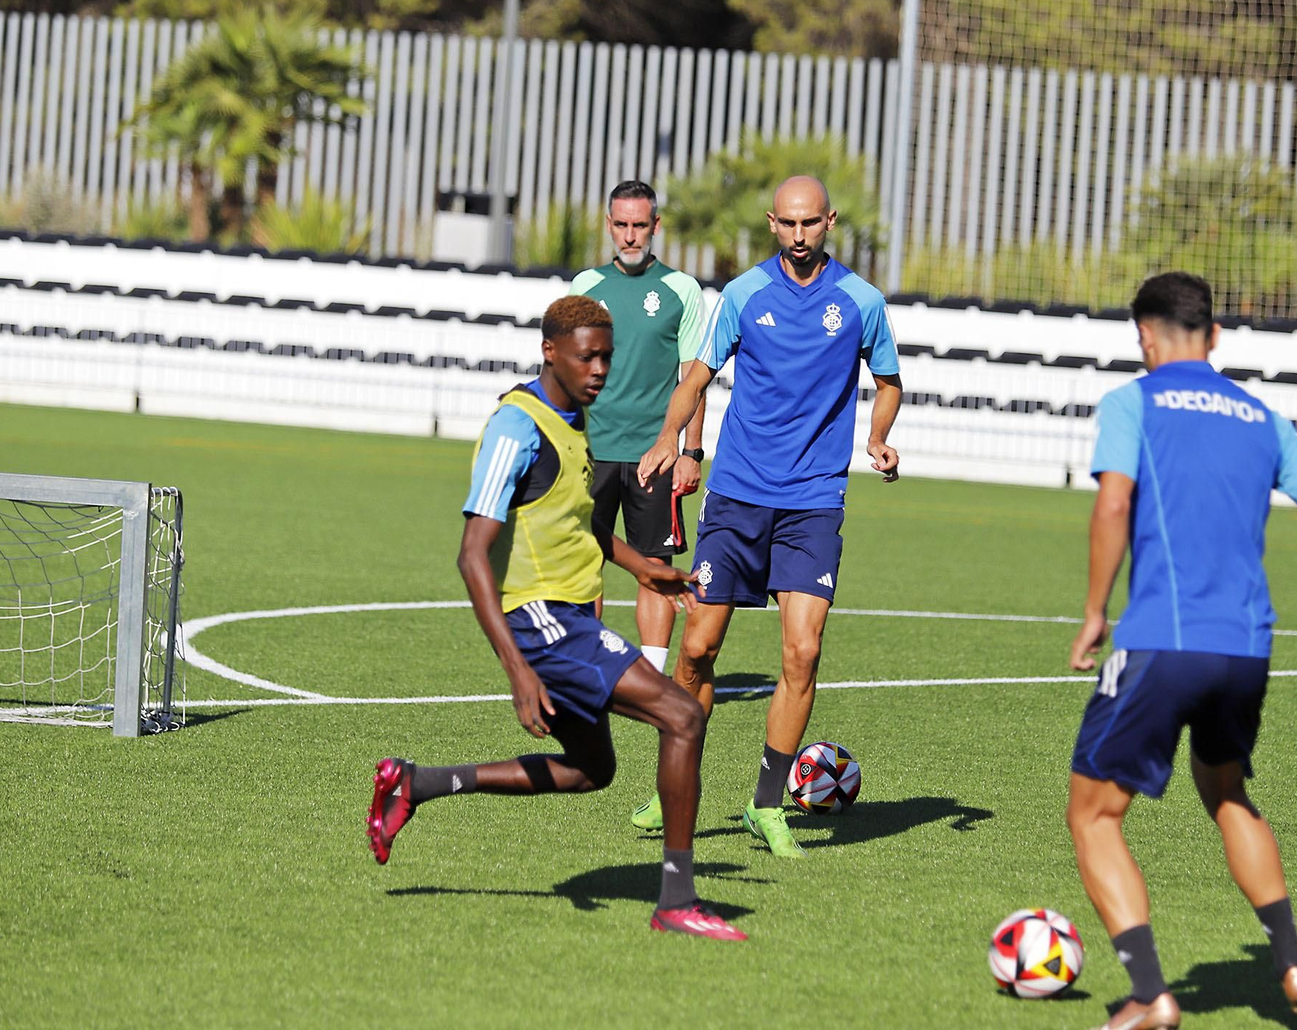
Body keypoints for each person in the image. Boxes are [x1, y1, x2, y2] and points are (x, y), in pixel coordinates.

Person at [365, 295, 746, 942]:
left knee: (591, 770)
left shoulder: (574, 420)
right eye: (586, 356)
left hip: (565, 617)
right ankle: (677, 899)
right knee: (683, 715)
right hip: (542, 620)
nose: (600, 368)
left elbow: (582, 522)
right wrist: (517, 669)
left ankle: (416, 783)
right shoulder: (518, 426)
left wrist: (640, 566)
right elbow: (471, 554)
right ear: (551, 351)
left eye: (606, 355)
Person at [1066, 272, 1297, 1029]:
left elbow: (1113, 500)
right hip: (1246, 649)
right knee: (1227, 791)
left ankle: (1149, 995)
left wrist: (1094, 611)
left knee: (1093, 814)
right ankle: (1294, 964)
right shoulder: (1262, 416)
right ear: (1213, 339)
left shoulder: (1132, 402)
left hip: (1164, 641)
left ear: (1145, 335)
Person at [633, 175, 903, 857]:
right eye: (787, 223)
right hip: (738, 497)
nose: (799, 235)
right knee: (697, 647)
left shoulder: (861, 301)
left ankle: (765, 803)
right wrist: (670, 435)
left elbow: (890, 380)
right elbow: (695, 376)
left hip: (814, 501)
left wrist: (877, 436)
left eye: (810, 223)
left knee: (803, 650)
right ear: (771, 223)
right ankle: (674, 780)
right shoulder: (746, 296)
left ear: (830, 221)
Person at [570, 181, 709, 685]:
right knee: (585, 560)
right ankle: (584, 668)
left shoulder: (682, 291)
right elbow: (564, 369)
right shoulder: (584, 286)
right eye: (622, 225)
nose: (631, 236)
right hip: (592, 451)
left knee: (654, 565)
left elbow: (696, 376)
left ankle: (649, 677)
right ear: (609, 225)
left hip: (657, 453)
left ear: (656, 226)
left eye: (640, 225)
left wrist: (691, 450)